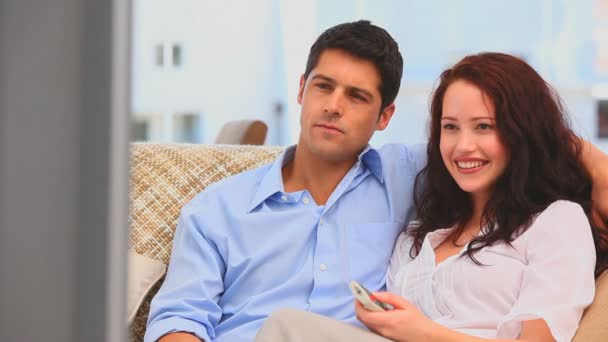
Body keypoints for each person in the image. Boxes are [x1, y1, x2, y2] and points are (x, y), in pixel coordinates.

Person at [146, 20, 608, 342]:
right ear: (301, 89)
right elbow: (178, 320)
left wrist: (599, 171)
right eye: (324, 87)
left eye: (357, 96)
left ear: (385, 116)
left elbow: (514, 135)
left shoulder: (408, 177)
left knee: (286, 327)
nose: (333, 106)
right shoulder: (216, 210)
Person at [256, 53, 608, 342]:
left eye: (484, 126)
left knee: (288, 328)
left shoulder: (556, 221)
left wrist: (422, 332)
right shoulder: (417, 235)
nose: (463, 146)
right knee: (288, 324)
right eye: (450, 127)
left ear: (521, 132)